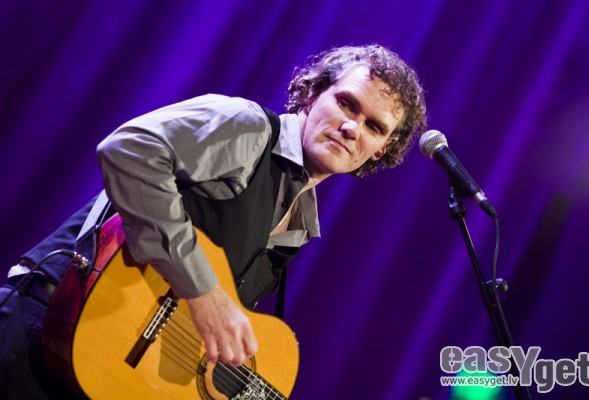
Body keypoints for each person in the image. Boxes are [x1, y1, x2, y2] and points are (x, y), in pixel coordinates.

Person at [0, 44, 427, 399]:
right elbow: (128, 149)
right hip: (38, 331)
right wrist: (204, 291)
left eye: (374, 127)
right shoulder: (247, 127)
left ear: (380, 150)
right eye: (346, 103)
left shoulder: (299, 225)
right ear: (313, 93)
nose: (352, 127)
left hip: (98, 372)